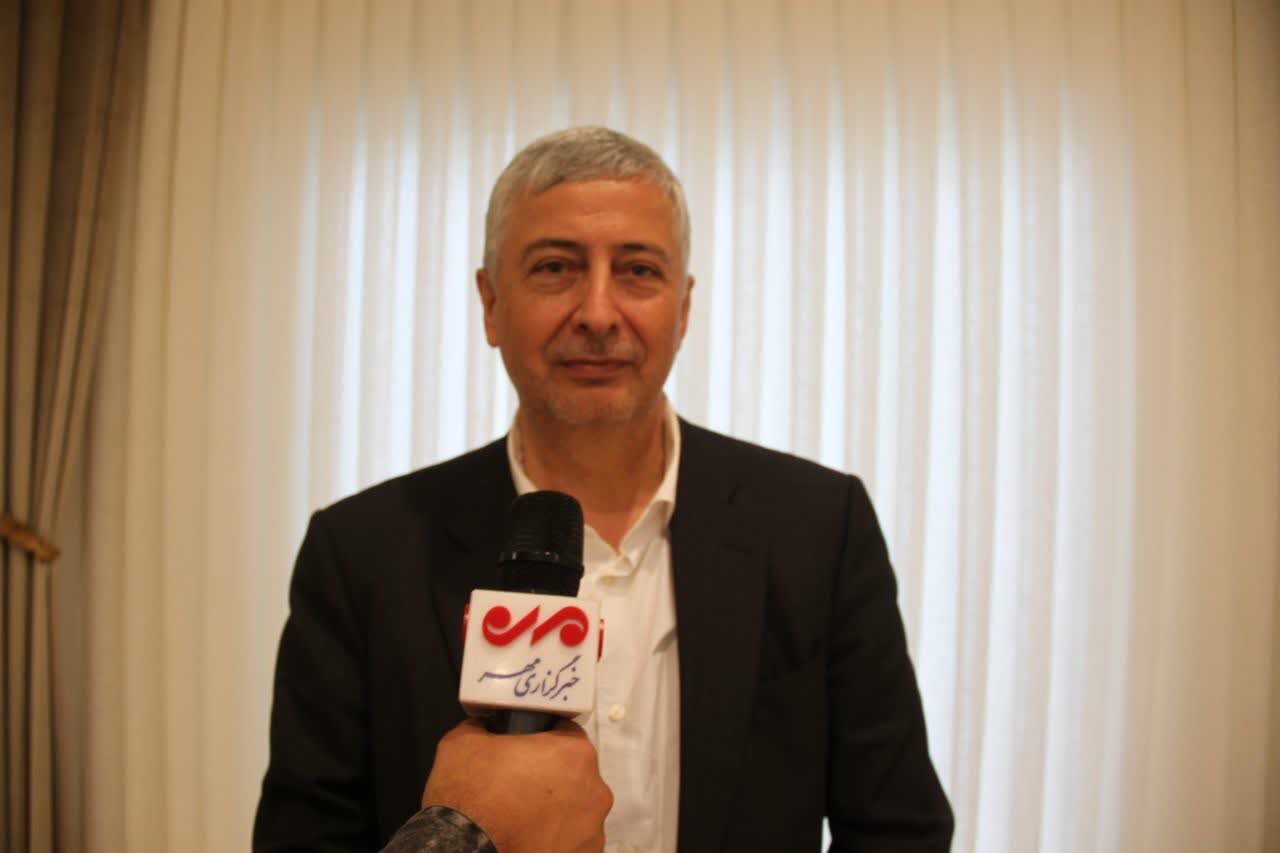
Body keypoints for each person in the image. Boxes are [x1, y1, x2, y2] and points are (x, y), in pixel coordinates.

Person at [254, 127, 953, 852]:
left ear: (683, 308)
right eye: (555, 267)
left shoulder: (818, 528)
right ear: (489, 303)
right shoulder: (361, 553)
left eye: (638, 271)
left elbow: (899, 832)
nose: (597, 312)